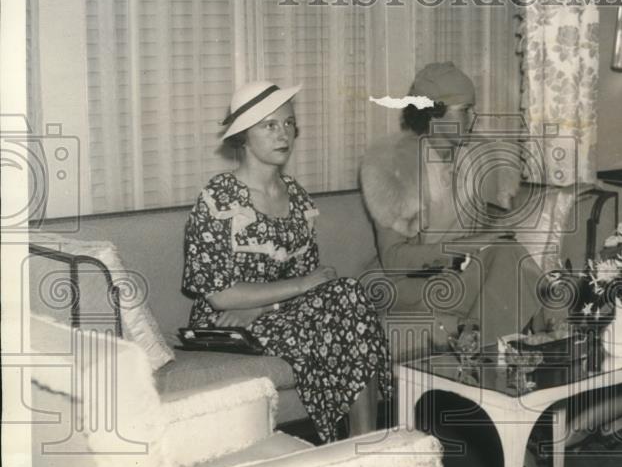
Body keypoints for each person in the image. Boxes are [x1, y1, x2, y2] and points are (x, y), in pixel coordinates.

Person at [182, 80, 392, 443]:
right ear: (244, 137)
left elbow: (316, 280)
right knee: (349, 307)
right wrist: (297, 289)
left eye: (289, 123)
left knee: (348, 297)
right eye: (270, 125)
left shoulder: (295, 194)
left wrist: (265, 306)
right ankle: (363, 444)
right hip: (224, 326)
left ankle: (360, 442)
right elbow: (220, 297)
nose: (285, 134)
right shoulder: (217, 198)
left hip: (272, 313)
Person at [359, 61, 554, 358]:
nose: (473, 118)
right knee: (505, 263)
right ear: (434, 114)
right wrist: (473, 245)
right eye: (464, 110)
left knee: (507, 254)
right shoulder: (392, 167)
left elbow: (484, 227)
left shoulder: (472, 157)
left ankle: (493, 344)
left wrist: (492, 233)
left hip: (462, 273)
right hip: (405, 281)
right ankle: (542, 337)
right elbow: (395, 258)